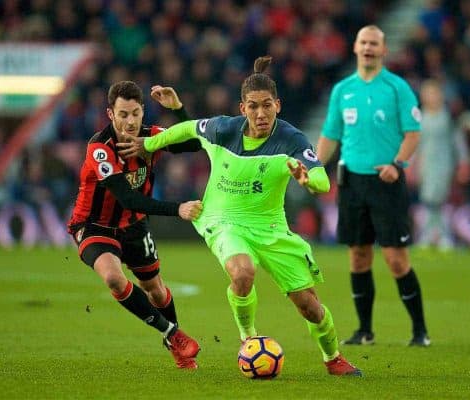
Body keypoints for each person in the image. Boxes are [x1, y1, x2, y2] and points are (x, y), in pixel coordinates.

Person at [131, 56, 362, 376]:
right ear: (243, 109)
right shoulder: (223, 129)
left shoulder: (291, 139)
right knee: (242, 272)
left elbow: (321, 178)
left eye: (267, 105)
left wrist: (309, 180)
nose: (260, 113)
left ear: (278, 106)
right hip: (223, 220)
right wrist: (150, 143)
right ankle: (249, 338)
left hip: (270, 228)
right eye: (253, 106)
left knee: (310, 307)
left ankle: (332, 357)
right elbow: (186, 129)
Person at [67, 81, 203, 369]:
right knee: (114, 278)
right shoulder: (99, 149)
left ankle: (174, 342)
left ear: (143, 112)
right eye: (123, 114)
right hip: (94, 226)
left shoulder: (151, 137)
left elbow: (194, 142)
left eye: (136, 113)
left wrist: (177, 109)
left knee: (154, 288)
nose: (130, 121)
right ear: (110, 114)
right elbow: (127, 198)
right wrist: (177, 208)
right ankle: (173, 334)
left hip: (134, 226)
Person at [316, 25, 430, 346]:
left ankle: (420, 331)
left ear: (383, 50)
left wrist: (398, 165)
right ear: (355, 47)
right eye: (363, 42)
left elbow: (412, 133)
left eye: (374, 44)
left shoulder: (397, 88)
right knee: (358, 257)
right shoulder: (342, 90)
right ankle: (364, 331)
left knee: (396, 259)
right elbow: (330, 135)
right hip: (352, 181)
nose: (368, 48)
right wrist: (311, 165)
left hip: (387, 181)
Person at [415, 79, 470, 249]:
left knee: (440, 199)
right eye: (427, 94)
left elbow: (458, 142)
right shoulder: (420, 118)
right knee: (428, 200)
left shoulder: (448, 118)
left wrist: (464, 163)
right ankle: (430, 235)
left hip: (444, 165)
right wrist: (410, 164)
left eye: (433, 93)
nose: (430, 97)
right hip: (425, 165)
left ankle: (443, 235)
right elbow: (415, 143)